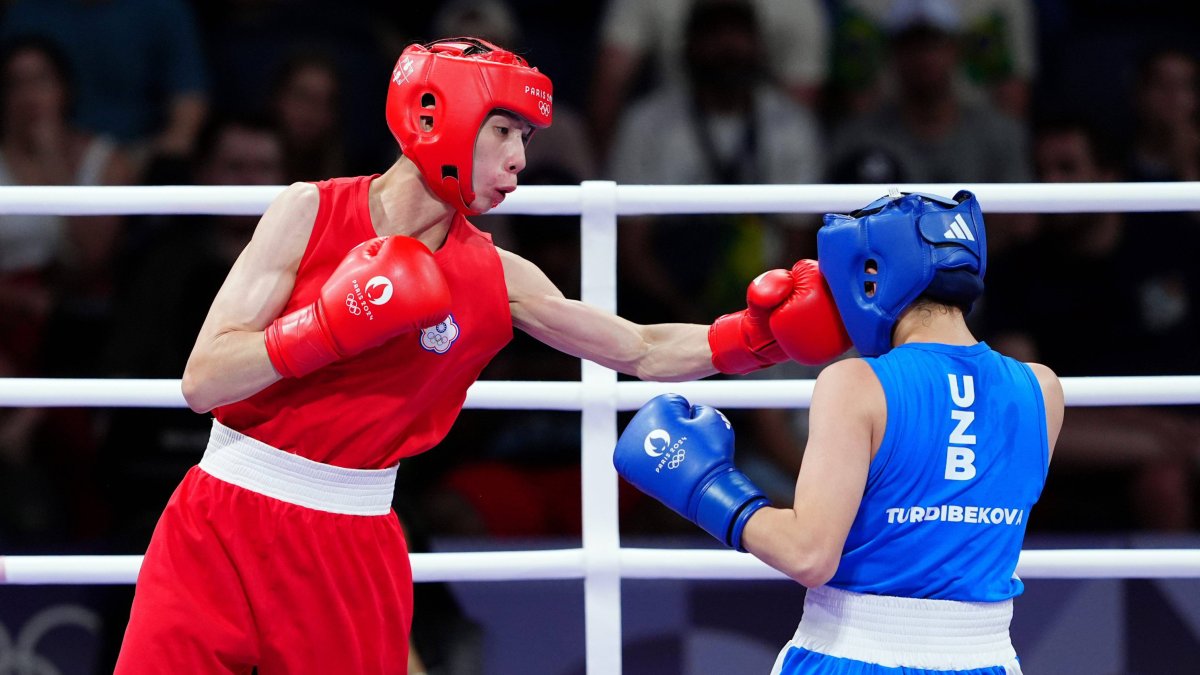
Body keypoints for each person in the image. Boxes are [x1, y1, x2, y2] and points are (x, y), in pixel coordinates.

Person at [113, 37, 852, 672]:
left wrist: (755, 337)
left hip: (348, 543)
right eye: (504, 131)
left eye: (525, 139)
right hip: (219, 517)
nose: (519, 159)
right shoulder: (308, 210)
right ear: (442, 116)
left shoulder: (496, 275)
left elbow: (641, 348)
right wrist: (327, 324)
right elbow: (204, 380)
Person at [615, 190, 1065, 673]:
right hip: (989, 658)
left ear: (870, 274)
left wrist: (704, 485)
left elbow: (807, 553)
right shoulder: (1041, 389)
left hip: (855, 653)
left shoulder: (856, 384)